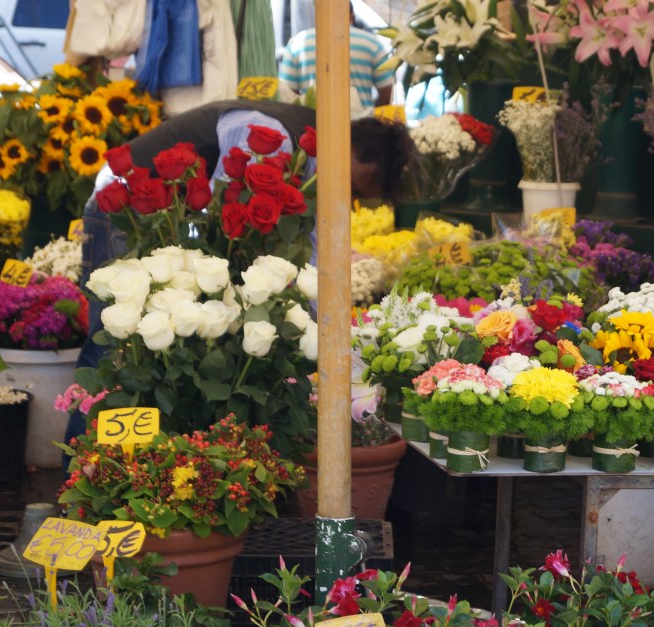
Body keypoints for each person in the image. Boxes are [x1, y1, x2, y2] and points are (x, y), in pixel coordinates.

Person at [63, 99, 411, 459]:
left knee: (152, 348)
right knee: (115, 343)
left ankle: (139, 468)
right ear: (351, 149)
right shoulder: (269, 133)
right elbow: (224, 213)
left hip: (161, 219)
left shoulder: (316, 159)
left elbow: (313, 251)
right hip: (123, 206)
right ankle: (78, 470)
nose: (349, 198)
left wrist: (318, 332)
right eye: (354, 187)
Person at [279, 2, 393, 111]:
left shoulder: (297, 43)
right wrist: (369, 114)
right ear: (351, 15)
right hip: (361, 123)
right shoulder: (372, 43)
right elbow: (387, 91)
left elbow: (287, 94)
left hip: (310, 121)